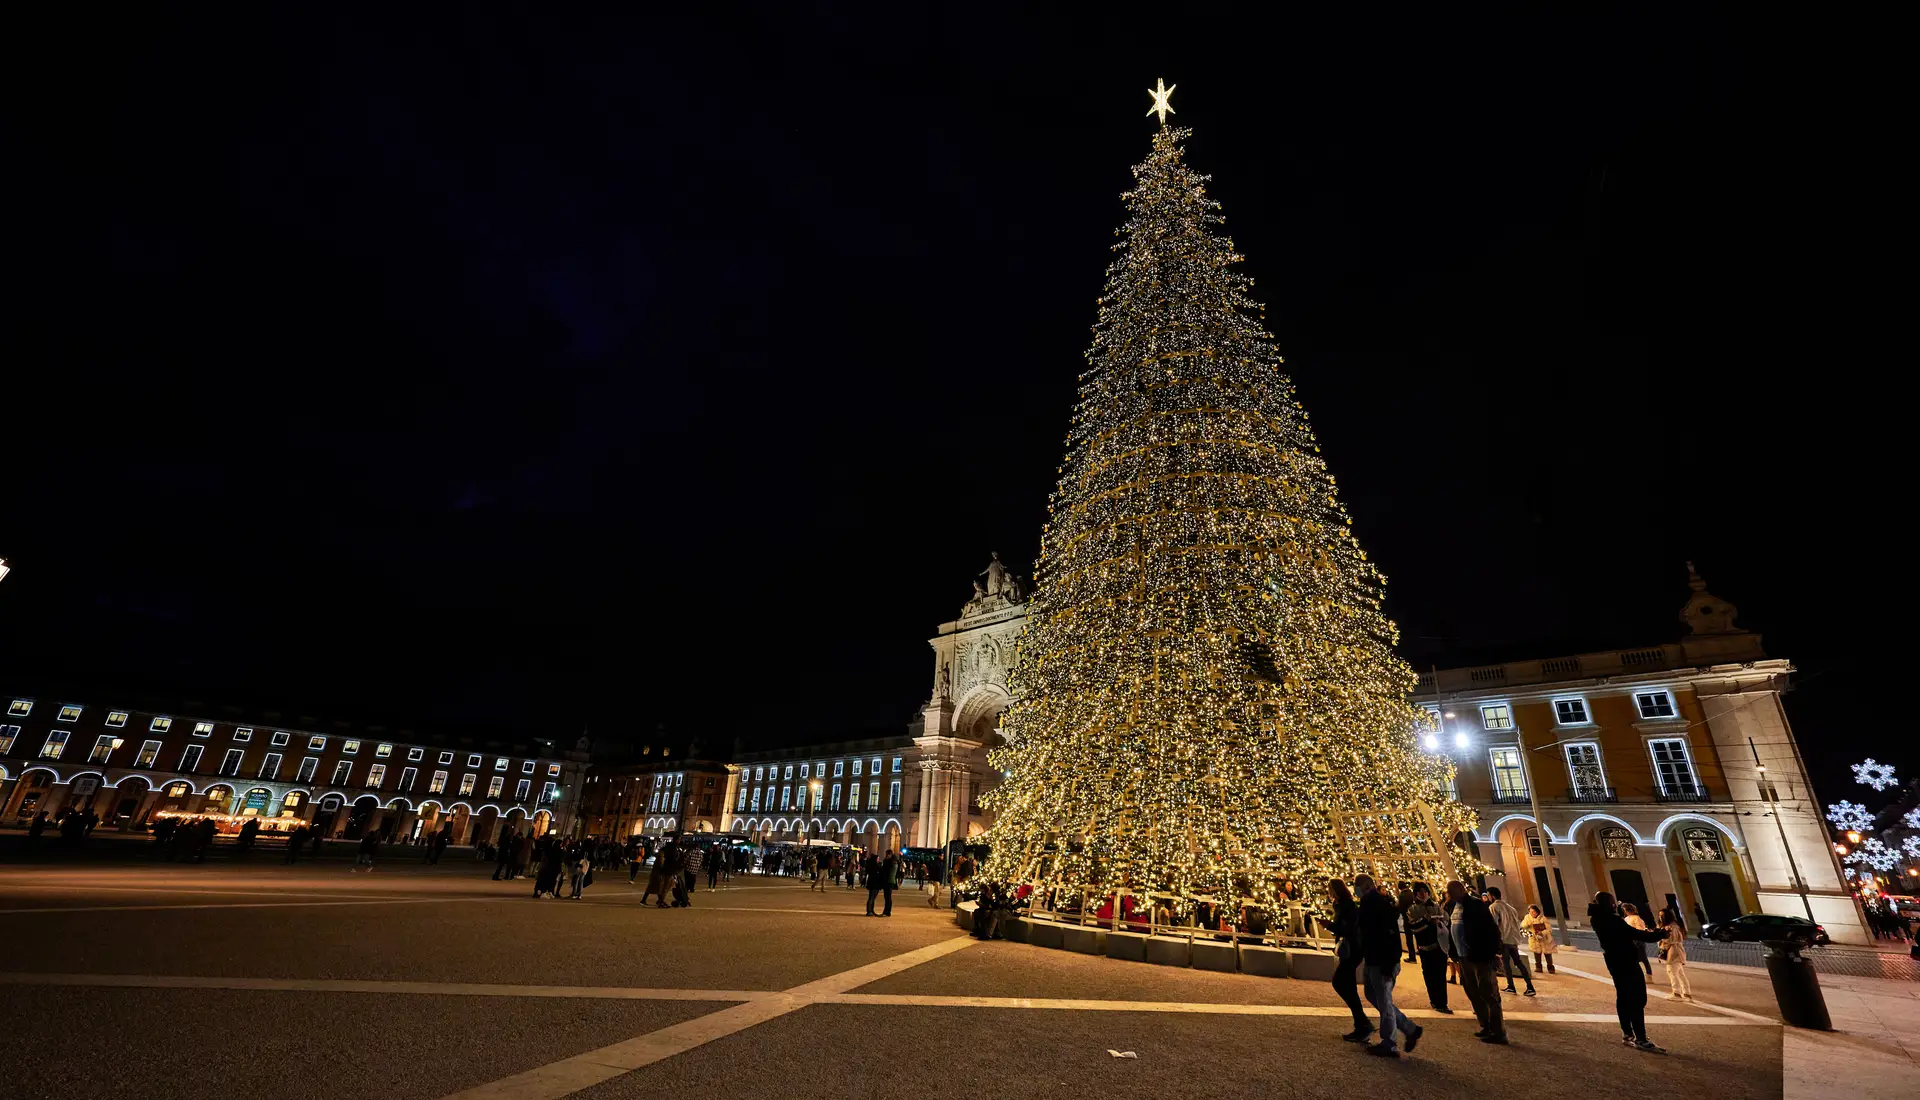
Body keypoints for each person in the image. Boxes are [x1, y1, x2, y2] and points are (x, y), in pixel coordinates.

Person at [1590, 891, 1671, 1052]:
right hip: (1625, 961)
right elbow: (1633, 933)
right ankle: (1640, 1038)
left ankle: (1628, 1034)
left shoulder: (1597, 919)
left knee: (1623, 997)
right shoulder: (1611, 919)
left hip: (1614, 961)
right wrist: (1659, 934)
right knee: (1636, 998)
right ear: (1608, 904)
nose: (1616, 904)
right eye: (1613, 902)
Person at [1355, 873, 1423, 1057]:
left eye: (1357, 886)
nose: (1356, 890)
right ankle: (1409, 1029)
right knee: (1373, 995)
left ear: (1366, 887)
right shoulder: (1372, 903)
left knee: (1384, 1001)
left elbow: (1387, 935)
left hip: (1381, 960)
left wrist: (1388, 963)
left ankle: (1390, 1043)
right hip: (1374, 958)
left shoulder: (1376, 905)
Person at [1445, 880, 1509, 1044]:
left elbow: (1491, 929)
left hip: (1479, 956)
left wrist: (1493, 952)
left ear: (1461, 889)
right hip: (1464, 957)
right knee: (1473, 992)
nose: (1449, 895)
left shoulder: (1476, 905)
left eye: (1451, 892)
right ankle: (1486, 1025)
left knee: (1488, 992)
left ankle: (1498, 1031)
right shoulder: (1454, 906)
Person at [1326, 879, 1373, 1043]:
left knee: (1339, 981)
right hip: (1353, 948)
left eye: (1330, 889)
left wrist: (1329, 925)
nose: (1329, 893)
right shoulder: (1343, 905)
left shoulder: (1347, 905)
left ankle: (1362, 1022)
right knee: (1348, 985)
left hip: (1353, 949)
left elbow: (1348, 928)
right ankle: (1361, 1024)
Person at [1405, 882, 1452, 1013]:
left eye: (1425, 891)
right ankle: (1435, 1000)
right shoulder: (1412, 909)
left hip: (1439, 945)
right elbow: (1413, 926)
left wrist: (1439, 921)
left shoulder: (1437, 906)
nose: (1423, 894)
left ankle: (1442, 1003)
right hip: (1425, 947)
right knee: (1429, 975)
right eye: (1420, 891)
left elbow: (1447, 920)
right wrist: (1426, 920)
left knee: (1441, 975)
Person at [1485, 887, 1536, 996]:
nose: (1488, 897)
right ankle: (1530, 986)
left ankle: (1511, 986)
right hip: (1513, 939)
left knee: (1506, 964)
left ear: (1492, 896)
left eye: (1488, 895)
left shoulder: (1494, 907)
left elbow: (1493, 924)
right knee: (1519, 963)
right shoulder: (1510, 908)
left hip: (1504, 939)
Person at [1658, 908, 1693, 1001]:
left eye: (1662, 916)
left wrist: (1660, 938)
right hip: (1675, 951)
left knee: (1672, 972)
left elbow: (1671, 940)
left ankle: (1677, 993)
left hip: (1674, 951)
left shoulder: (1672, 927)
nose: (1660, 918)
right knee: (1680, 973)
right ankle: (1686, 993)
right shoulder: (1674, 925)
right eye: (1659, 915)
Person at [1523, 904, 1557, 974]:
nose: (1533, 913)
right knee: (1537, 954)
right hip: (1534, 940)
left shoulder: (1543, 918)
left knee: (1548, 954)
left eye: (1534, 912)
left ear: (1537, 911)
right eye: (1531, 912)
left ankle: (1550, 967)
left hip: (1545, 939)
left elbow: (1549, 929)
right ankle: (1538, 967)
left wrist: (1542, 933)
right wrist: (1532, 934)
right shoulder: (1527, 918)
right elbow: (1523, 929)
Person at [1623, 903, 1655, 976]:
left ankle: (1649, 973)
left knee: (1643, 958)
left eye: (1625, 910)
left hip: (1638, 940)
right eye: (1624, 910)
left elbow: (1641, 929)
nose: (1625, 912)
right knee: (1634, 958)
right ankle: (1638, 974)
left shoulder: (1636, 918)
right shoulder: (1626, 918)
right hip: (1630, 940)